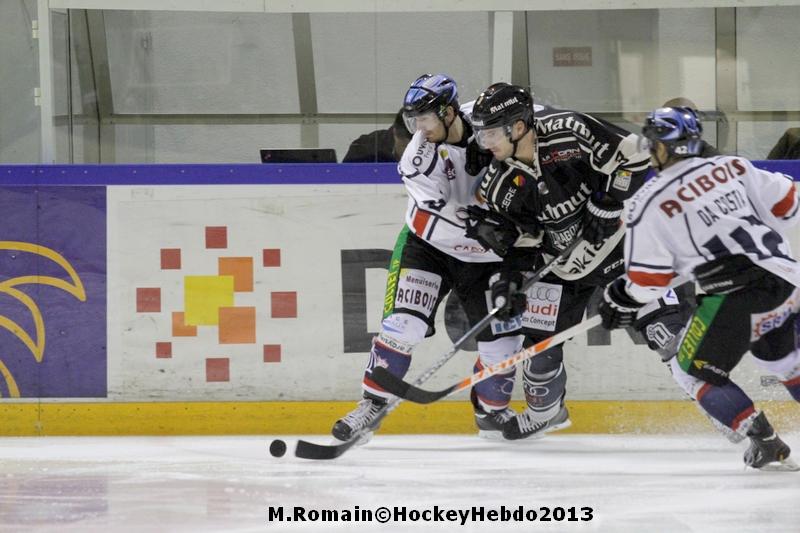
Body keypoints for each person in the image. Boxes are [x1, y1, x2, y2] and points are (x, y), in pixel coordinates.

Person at [464, 82, 691, 440]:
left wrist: (611, 201)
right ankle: (547, 413)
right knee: (538, 359)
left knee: (666, 335)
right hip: (560, 268)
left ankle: (719, 403)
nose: (484, 143)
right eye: (480, 134)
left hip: (621, 247)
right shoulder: (497, 183)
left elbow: (636, 156)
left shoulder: (569, 130)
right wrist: (510, 280)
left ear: (518, 127)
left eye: (490, 133)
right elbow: (525, 241)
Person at [598, 106, 800, 470]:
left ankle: (764, 440)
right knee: (784, 360)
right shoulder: (734, 166)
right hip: (787, 279)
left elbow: (649, 281)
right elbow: (789, 205)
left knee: (688, 370)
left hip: (733, 294)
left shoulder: (649, 199)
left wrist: (620, 298)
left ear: (662, 147)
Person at [332, 74, 525, 442]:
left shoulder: (487, 121)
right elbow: (441, 211)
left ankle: (490, 411)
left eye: (425, 119)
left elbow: (532, 119)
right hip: (429, 246)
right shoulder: (416, 159)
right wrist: (483, 225)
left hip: (487, 257)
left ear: (449, 113)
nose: (419, 129)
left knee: (502, 343)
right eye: (413, 121)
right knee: (403, 325)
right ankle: (371, 405)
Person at [342, 110, 413, 163]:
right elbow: (346, 175)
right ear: (395, 133)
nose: (413, 154)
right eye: (406, 147)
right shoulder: (365, 148)